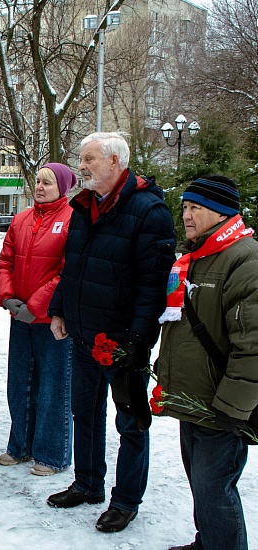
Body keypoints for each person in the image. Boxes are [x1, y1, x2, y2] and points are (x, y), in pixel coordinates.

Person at [46, 132, 176, 533]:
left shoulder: (149, 211)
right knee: (84, 414)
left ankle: (125, 501)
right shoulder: (85, 206)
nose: (81, 167)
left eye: (89, 160)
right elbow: (73, 266)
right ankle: (87, 483)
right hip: (85, 334)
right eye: (81, 160)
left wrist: (138, 341)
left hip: (122, 343)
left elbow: (153, 286)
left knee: (130, 422)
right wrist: (59, 309)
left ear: (116, 162)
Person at [156, 176, 258, 550]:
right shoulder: (198, 256)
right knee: (201, 484)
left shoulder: (244, 259)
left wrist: (234, 408)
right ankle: (209, 541)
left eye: (195, 207)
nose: (186, 215)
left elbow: (253, 347)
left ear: (221, 212)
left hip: (221, 404)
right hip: (193, 398)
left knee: (216, 489)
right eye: (184, 207)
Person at [0, 163, 77, 476]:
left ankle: (52, 454)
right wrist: (8, 297)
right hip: (20, 317)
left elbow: (67, 272)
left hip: (51, 321)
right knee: (20, 384)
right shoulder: (21, 219)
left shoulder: (72, 220)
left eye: (48, 182)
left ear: (63, 187)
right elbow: (5, 261)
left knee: (53, 388)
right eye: (38, 181)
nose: (40, 187)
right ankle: (21, 447)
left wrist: (37, 305)